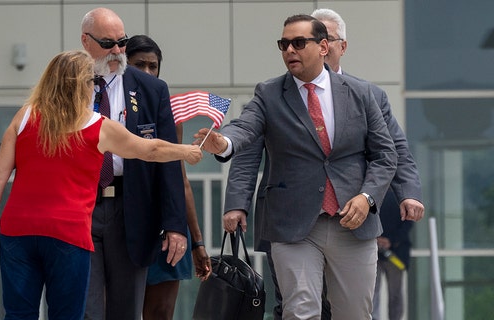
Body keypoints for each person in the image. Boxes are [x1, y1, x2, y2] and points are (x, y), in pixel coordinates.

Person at [0, 7, 190, 320]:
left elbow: (160, 157)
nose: (119, 50)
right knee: (82, 311)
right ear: (85, 40)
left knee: (124, 310)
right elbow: (30, 134)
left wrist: (175, 223)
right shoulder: (69, 85)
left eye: (123, 42)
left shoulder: (150, 89)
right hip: (78, 215)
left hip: (129, 208)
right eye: (109, 43)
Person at [222, 8, 426, 320]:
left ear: (328, 47)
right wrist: (226, 152)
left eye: (301, 42)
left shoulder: (364, 93)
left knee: (355, 313)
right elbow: (246, 139)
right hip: (293, 222)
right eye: (284, 44)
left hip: (352, 222)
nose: (290, 50)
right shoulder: (271, 93)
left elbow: (390, 151)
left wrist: (383, 195)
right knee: (299, 309)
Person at [125, 35, 211, 320]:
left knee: (160, 313)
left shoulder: (169, 113)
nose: (148, 73)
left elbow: (180, 180)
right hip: (122, 223)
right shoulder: (111, 108)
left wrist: (197, 242)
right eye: (139, 66)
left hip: (166, 225)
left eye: (153, 66)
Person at [372, 188, 413, 320]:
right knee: (373, 292)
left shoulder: (403, 196)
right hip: (374, 251)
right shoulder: (373, 194)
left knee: (394, 293)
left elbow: (408, 223)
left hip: (395, 254)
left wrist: (390, 240)